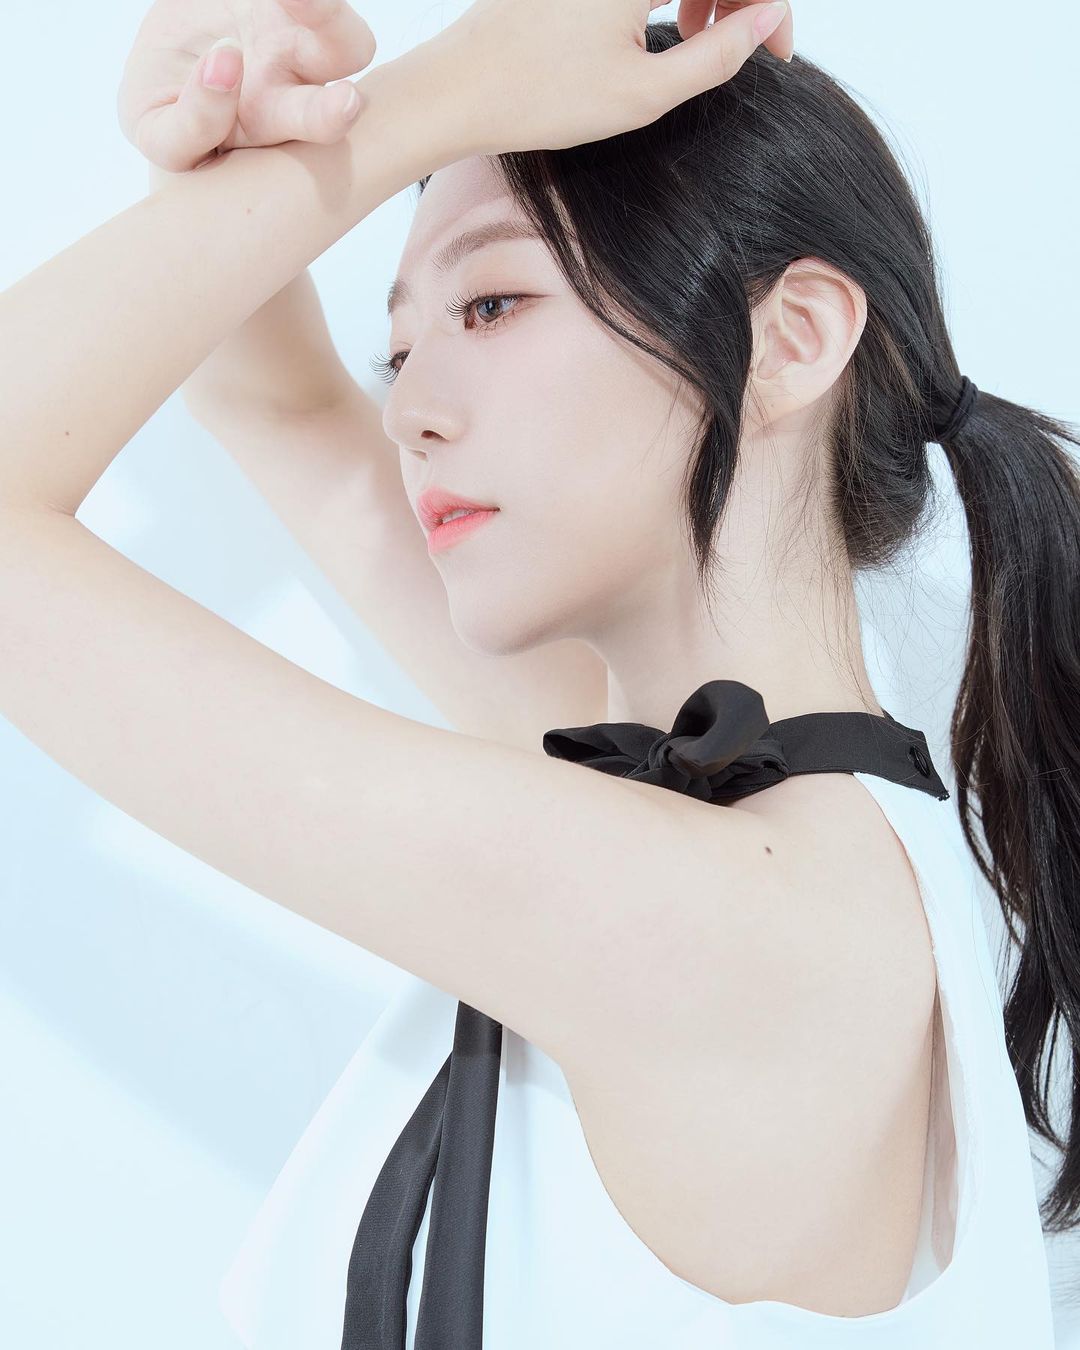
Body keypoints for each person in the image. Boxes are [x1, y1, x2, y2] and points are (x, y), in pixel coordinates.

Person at [2, 0, 1077, 1345]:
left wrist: (442, 94)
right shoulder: (740, 831)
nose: (410, 409)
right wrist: (226, 137)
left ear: (795, 335)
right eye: (402, 348)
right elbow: (276, 402)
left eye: (494, 302)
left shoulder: (718, 923)